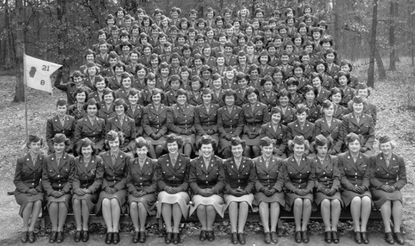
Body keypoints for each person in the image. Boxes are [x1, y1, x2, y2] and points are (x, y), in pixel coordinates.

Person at [370, 136, 407, 245]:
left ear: (392, 146)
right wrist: (382, 186)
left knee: (397, 200)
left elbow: (403, 178)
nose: (385, 148)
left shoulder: (399, 159)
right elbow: (371, 177)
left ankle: (397, 231)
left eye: (387, 146)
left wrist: (395, 186)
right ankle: (388, 231)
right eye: (383, 146)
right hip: (378, 187)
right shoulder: (374, 159)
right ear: (380, 147)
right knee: (386, 199)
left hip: (392, 186)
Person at [96, 131, 131, 244]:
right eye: (112, 142)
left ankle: (115, 230)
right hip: (106, 187)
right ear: (108, 143)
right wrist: (106, 187)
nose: (114, 145)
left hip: (120, 188)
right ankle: (109, 231)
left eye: (116, 142)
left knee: (114, 201)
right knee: (106, 201)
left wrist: (116, 187)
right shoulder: (102, 156)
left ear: (120, 142)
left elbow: (127, 176)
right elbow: (100, 175)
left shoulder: (126, 157)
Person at [189, 135, 225, 242]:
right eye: (204, 148)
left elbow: (222, 180)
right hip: (199, 192)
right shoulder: (195, 162)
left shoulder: (219, 162)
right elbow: (192, 181)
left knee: (210, 206)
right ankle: (203, 229)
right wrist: (199, 191)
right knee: (200, 206)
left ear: (213, 149)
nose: (206, 150)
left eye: (209, 148)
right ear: (200, 149)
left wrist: (213, 190)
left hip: (215, 192)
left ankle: (209, 229)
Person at [338, 133, 372, 244]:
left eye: (357, 144)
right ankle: (357, 229)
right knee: (356, 199)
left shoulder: (367, 158)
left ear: (360, 145)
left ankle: (364, 229)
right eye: (352, 144)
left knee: (366, 200)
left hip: (362, 186)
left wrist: (364, 186)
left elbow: (367, 176)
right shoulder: (342, 157)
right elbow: (341, 176)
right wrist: (351, 187)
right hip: (348, 188)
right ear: (348, 145)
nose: (354, 146)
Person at [156, 134, 191, 244]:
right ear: (167, 146)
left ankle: (176, 230)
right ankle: (168, 230)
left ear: (178, 145)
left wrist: (180, 188)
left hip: (182, 190)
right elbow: (159, 179)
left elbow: (188, 180)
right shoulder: (161, 160)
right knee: (165, 200)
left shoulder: (185, 160)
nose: (172, 147)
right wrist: (166, 188)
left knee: (177, 200)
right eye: (169, 145)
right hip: (165, 189)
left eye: (174, 145)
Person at [42, 134, 75, 243]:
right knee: (52, 202)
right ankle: (53, 230)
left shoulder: (71, 159)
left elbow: (71, 179)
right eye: (56, 145)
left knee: (62, 202)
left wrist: (64, 191)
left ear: (65, 145)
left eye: (61, 145)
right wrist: (51, 191)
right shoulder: (47, 159)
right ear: (53, 145)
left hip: (65, 191)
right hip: (52, 190)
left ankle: (60, 230)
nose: (58, 148)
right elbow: (45, 179)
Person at [223, 137, 256, 245]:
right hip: (230, 191)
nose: (237, 151)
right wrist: (231, 191)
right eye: (234, 149)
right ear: (231, 150)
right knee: (232, 203)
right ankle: (233, 231)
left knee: (244, 203)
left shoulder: (249, 162)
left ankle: (240, 231)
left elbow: (251, 181)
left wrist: (245, 191)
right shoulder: (226, 163)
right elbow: (225, 181)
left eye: (239, 148)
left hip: (245, 191)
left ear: (242, 149)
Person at [282, 135, 315, 244]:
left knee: (307, 202)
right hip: (293, 190)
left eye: (301, 148)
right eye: (297, 148)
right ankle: (297, 229)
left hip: (306, 188)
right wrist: (295, 190)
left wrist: (308, 189)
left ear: (305, 149)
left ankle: (304, 229)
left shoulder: (310, 161)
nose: (299, 150)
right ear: (293, 148)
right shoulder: (286, 162)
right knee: (298, 201)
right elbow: (286, 181)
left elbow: (312, 179)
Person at [13, 135, 45, 243]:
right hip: (23, 190)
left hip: (37, 189)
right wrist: (27, 190)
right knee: (29, 202)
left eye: (38, 144)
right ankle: (25, 229)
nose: (36, 147)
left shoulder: (43, 159)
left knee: (38, 201)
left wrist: (38, 188)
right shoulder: (21, 160)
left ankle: (31, 229)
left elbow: (45, 178)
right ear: (29, 146)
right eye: (34, 144)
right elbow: (17, 180)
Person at [311, 135, 343, 244]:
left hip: (333, 188)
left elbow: (337, 176)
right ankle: (327, 229)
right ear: (316, 148)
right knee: (325, 202)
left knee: (336, 202)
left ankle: (334, 229)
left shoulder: (334, 159)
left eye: (325, 148)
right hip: (320, 190)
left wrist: (334, 188)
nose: (323, 150)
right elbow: (312, 179)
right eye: (320, 148)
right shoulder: (312, 160)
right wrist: (321, 188)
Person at [126, 137, 158, 243]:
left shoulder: (153, 163)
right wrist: (133, 190)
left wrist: (145, 191)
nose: (141, 152)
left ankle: (142, 229)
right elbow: (129, 181)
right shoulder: (131, 162)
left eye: (144, 150)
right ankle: (136, 230)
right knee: (134, 204)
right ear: (136, 151)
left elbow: (155, 183)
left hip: (148, 192)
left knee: (141, 203)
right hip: (134, 191)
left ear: (148, 150)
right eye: (139, 150)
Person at [253, 137, 285, 244]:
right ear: (261, 148)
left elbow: (281, 179)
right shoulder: (255, 161)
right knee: (263, 203)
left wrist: (275, 189)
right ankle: (266, 231)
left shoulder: (279, 161)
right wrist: (262, 188)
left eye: (270, 148)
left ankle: (273, 231)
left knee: (275, 202)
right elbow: (254, 179)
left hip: (275, 190)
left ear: (273, 149)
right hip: (261, 189)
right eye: (266, 148)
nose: (268, 150)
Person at [72, 138, 104, 242]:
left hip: (92, 191)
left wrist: (89, 190)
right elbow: (75, 177)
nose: (86, 152)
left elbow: (98, 180)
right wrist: (76, 188)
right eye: (84, 149)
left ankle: (85, 227)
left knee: (85, 198)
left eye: (88, 149)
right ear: (80, 150)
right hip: (80, 189)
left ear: (92, 149)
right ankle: (78, 228)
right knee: (76, 199)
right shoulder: (76, 160)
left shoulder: (98, 160)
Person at [241, 86, 270, 158]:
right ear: (247, 97)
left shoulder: (263, 106)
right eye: (249, 96)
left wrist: (258, 132)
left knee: (255, 148)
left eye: (253, 95)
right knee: (246, 148)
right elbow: (242, 122)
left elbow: (265, 122)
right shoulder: (244, 107)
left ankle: (257, 165)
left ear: (257, 95)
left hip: (260, 130)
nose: (252, 98)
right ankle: (247, 166)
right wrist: (247, 131)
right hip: (248, 131)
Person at [167, 88, 196, 157]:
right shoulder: (171, 108)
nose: (181, 99)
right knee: (178, 143)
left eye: (183, 97)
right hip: (176, 133)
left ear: (186, 98)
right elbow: (170, 124)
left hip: (189, 132)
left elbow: (196, 122)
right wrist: (182, 131)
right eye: (180, 97)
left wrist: (191, 130)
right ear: (176, 98)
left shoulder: (193, 108)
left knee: (188, 144)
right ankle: (178, 161)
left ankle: (186, 161)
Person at [142, 88, 168, 159]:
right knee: (149, 145)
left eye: (158, 97)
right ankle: (155, 162)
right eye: (154, 97)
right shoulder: (146, 108)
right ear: (152, 98)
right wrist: (151, 134)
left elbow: (166, 124)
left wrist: (160, 134)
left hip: (161, 134)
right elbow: (145, 124)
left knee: (159, 147)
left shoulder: (166, 108)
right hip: (150, 135)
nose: (156, 99)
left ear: (161, 97)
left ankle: (154, 161)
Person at [217, 89, 244, 159]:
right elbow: (219, 125)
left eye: (231, 98)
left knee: (237, 147)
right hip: (225, 135)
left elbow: (240, 125)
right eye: (227, 98)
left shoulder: (239, 109)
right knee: (227, 149)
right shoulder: (220, 110)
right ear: (224, 99)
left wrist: (235, 134)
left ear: (234, 99)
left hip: (236, 133)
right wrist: (225, 135)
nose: (229, 100)